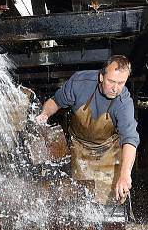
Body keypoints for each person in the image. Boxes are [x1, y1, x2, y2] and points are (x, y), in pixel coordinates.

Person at [35, 55, 139, 204]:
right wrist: (44, 114)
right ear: (102, 77)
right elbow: (55, 102)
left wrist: (125, 174)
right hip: (79, 147)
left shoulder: (123, 101)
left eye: (121, 83)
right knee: (81, 198)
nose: (116, 88)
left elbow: (129, 138)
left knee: (110, 201)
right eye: (111, 81)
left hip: (108, 150)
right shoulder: (80, 83)